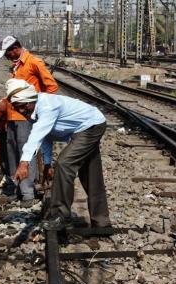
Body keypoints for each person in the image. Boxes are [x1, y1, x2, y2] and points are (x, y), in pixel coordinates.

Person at [6, 79, 111, 230]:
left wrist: (24, 162)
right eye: (17, 108)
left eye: (23, 106)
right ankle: (102, 222)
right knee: (91, 174)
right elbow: (46, 135)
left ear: (31, 99)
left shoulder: (47, 106)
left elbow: (36, 135)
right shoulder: (32, 110)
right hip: (83, 128)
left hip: (91, 126)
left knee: (64, 163)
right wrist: (47, 163)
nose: (21, 111)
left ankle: (61, 217)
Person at [0, 35, 58, 207]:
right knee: (12, 151)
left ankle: (28, 192)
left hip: (26, 116)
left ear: (15, 48)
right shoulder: (16, 66)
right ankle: (17, 187)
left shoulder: (34, 62)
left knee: (25, 152)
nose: (6, 57)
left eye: (7, 53)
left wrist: (41, 108)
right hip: (12, 116)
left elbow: (51, 86)